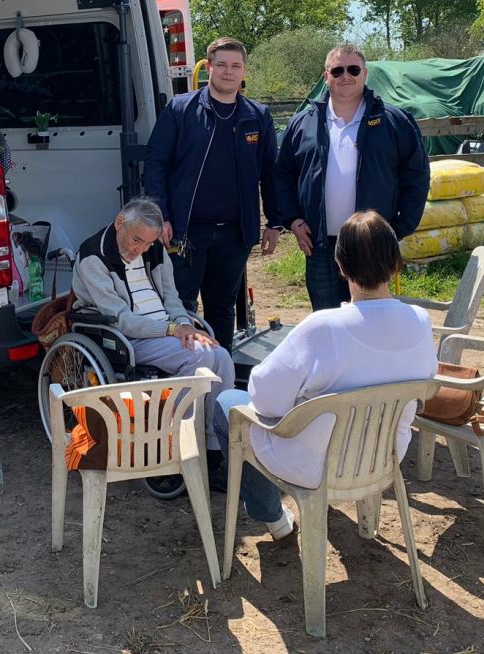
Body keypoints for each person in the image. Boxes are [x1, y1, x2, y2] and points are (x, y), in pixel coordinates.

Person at [213, 210, 437, 539]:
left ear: (341, 266)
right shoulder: (420, 320)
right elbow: (425, 385)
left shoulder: (323, 327)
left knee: (227, 402)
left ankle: (273, 517)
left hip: (314, 464)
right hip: (384, 456)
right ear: (394, 262)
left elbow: (264, 399)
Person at [143, 37, 283, 350]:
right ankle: (185, 377)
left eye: (235, 66)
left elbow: (271, 173)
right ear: (209, 68)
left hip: (235, 234)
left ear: (244, 70)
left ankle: (221, 375)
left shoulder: (257, 117)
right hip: (186, 232)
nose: (228, 72)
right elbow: (156, 163)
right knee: (182, 308)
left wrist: (275, 221)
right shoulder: (181, 109)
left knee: (222, 308)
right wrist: (160, 215)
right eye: (221, 65)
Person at [72, 197, 235, 454]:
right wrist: (172, 330)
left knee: (222, 356)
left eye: (148, 243)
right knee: (200, 357)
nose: (142, 249)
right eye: (137, 240)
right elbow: (121, 319)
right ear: (119, 223)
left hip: (164, 329)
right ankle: (176, 443)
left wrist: (183, 324)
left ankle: (215, 446)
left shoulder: (154, 250)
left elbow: (172, 298)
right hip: (127, 336)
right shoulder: (93, 256)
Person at [274, 42, 430, 311]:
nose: (345, 76)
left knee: (372, 318)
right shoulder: (303, 123)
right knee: (326, 318)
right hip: (320, 243)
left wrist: (399, 227)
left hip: (371, 242)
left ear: (365, 74)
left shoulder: (393, 121)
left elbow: (416, 176)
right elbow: (282, 174)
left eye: (353, 69)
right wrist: (293, 219)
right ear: (326, 76)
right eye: (337, 71)